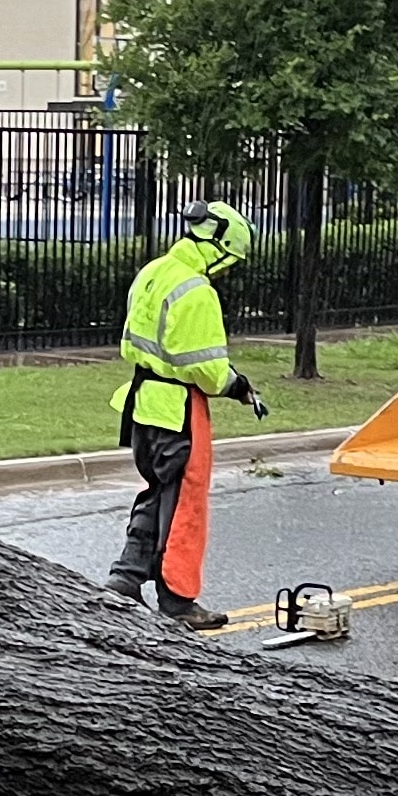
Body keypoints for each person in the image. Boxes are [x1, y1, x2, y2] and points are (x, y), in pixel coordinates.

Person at [105, 201, 268, 629]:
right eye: (230, 260)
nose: (228, 269)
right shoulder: (196, 291)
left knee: (158, 493)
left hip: (143, 405)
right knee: (183, 507)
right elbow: (207, 371)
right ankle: (178, 601)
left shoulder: (154, 271)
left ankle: (125, 578)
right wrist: (236, 385)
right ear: (219, 248)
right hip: (179, 409)